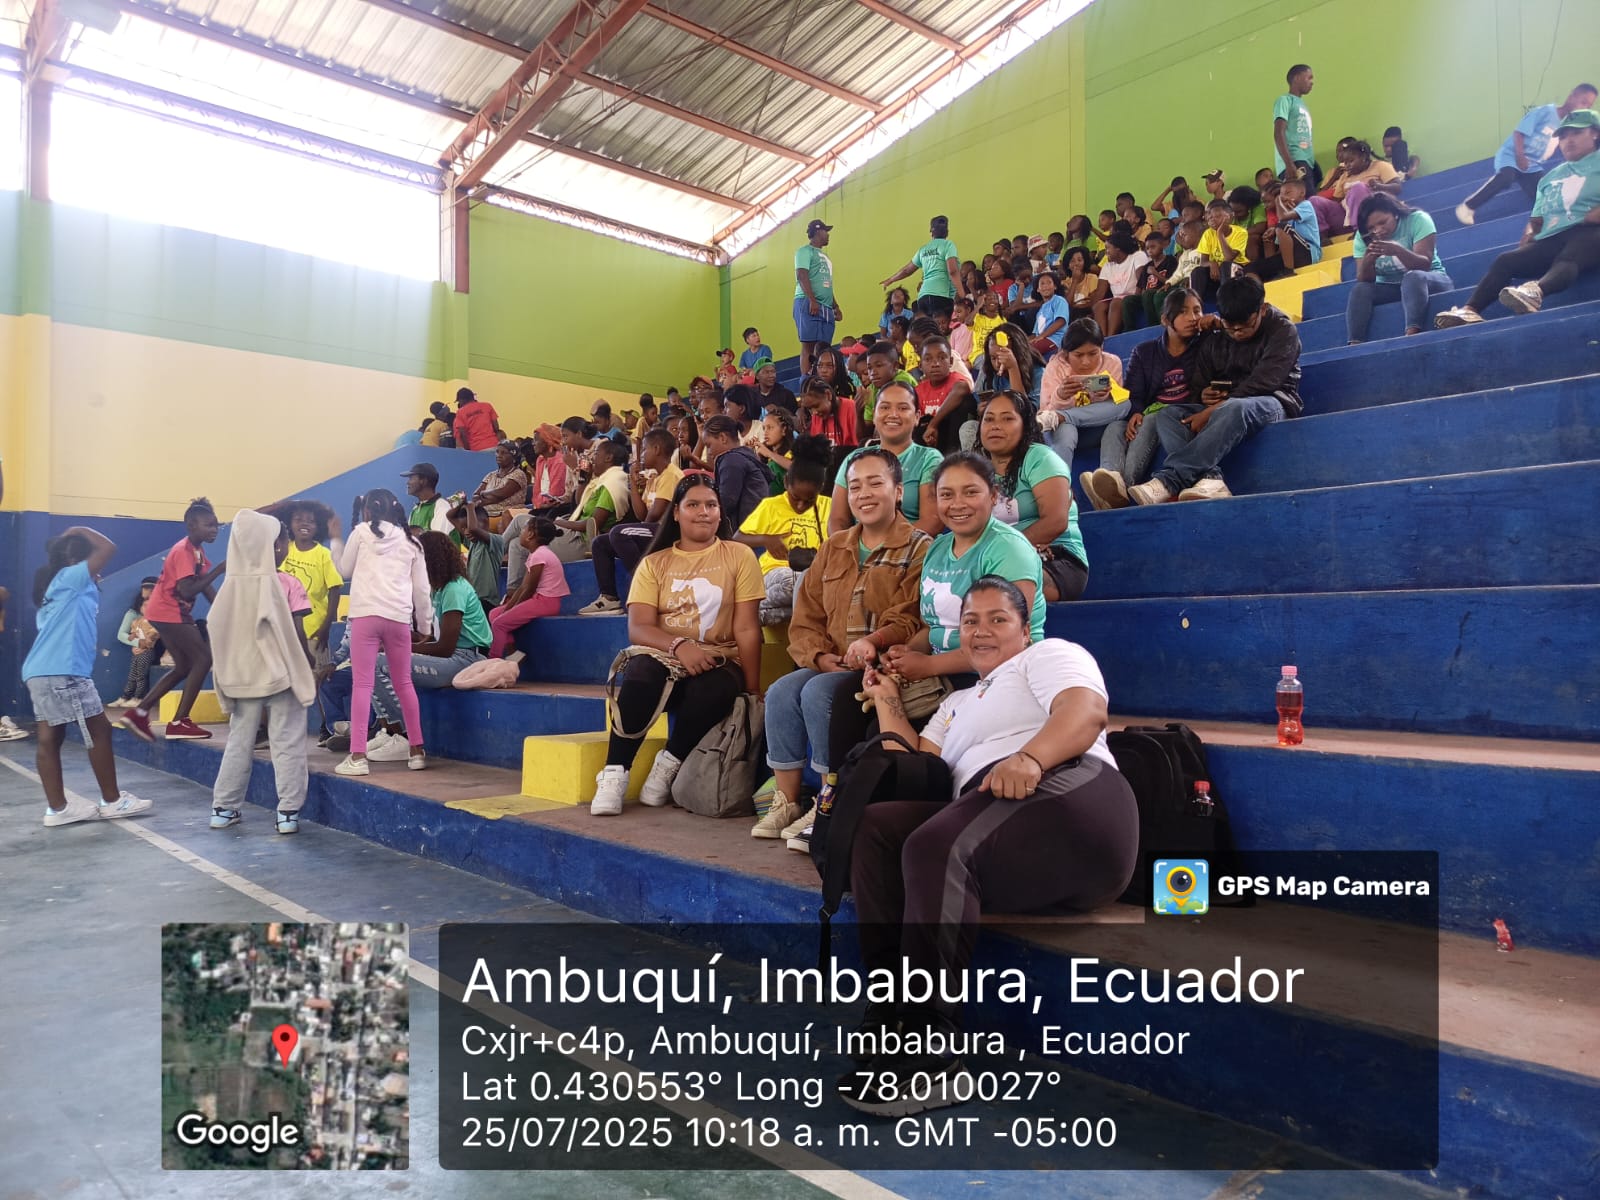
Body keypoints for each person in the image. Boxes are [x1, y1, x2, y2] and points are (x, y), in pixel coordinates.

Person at [840, 577, 1137, 1114]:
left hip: (1073, 794)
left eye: (998, 619)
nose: (981, 630)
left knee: (934, 843)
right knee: (878, 828)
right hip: (996, 824)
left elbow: (1084, 710)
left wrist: (1030, 758)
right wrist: (886, 699)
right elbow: (918, 764)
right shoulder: (953, 704)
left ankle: (934, 1053)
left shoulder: (1048, 655)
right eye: (971, 621)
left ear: (1025, 630)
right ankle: (892, 1013)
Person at [756, 449, 933, 841]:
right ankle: (787, 802)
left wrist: (870, 645)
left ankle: (827, 803)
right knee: (782, 690)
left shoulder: (920, 547)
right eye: (855, 487)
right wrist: (819, 656)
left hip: (881, 664)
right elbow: (806, 616)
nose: (864, 494)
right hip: (834, 660)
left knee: (819, 692)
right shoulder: (834, 546)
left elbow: (909, 617)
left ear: (898, 491)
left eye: (875, 483)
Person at [590, 476, 763, 816]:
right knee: (641, 671)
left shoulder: (739, 556)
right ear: (676, 513)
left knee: (715, 685)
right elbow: (639, 627)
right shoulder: (655, 563)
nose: (703, 512)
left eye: (711, 505)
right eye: (693, 505)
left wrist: (754, 688)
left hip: (717, 661)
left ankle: (668, 763)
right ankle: (615, 771)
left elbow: (746, 627)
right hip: (665, 658)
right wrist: (680, 645)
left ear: (720, 512)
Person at [1126, 274, 1302, 505]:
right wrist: (1203, 395)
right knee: (1169, 414)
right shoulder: (1217, 334)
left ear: (1263, 309)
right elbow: (1198, 383)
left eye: (1245, 326)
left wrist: (1212, 410)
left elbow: (1264, 383)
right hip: (1226, 404)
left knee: (1236, 407)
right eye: (1231, 327)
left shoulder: (1283, 330)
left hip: (1273, 401)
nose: (1237, 332)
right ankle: (1211, 479)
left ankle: (1169, 480)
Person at [24, 526, 152, 826]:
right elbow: (108, 548)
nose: (98, 569)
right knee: (99, 731)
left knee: (49, 737)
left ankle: (58, 809)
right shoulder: (71, 578)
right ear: (76, 561)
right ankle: (112, 800)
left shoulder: (59, 588)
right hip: (64, 672)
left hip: (41, 672)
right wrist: (77, 530)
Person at [882, 454, 1044, 687]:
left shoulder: (1009, 549)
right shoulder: (937, 548)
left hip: (1000, 676)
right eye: (946, 495)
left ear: (994, 495)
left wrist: (928, 665)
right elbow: (931, 627)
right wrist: (906, 654)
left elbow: (1004, 642)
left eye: (970, 492)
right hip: (943, 673)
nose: (957, 504)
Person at [1437, 108, 1600, 327]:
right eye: (1563, 136)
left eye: (1576, 133)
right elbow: (1538, 217)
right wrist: (1530, 233)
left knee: (1574, 250)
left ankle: (1536, 292)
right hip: (1555, 236)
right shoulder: (1551, 177)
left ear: (1595, 133)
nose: (1568, 140)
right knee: (1506, 260)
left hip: (1590, 233)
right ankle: (1470, 310)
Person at [207, 509, 316, 835]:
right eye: (281, 541)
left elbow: (215, 629)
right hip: (279, 676)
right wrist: (303, 672)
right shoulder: (275, 584)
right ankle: (287, 813)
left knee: (239, 741)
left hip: (241, 679)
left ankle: (224, 807)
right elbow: (291, 634)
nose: (284, 546)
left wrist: (223, 681)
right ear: (272, 546)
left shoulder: (230, 586)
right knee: (287, 741)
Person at [332, 489, 430, 777]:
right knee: (404, 683)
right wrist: (425, 626)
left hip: (365, 617)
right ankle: (417, 751)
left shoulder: (361, 533)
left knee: (362, 685)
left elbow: (344, 570)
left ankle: (357, 757)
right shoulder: (412, 542)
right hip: (398, 620)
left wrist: (336, 540)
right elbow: (422, 590)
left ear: (367, 511)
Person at [1086, 287, 1212, 509]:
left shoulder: (1206, 345)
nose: (1193, 318)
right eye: (1183, 312)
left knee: (1156, 417)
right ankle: (1110, 476)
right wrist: (1136, 412)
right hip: (1148, 412)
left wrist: (1214, 325)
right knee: (1115, 427)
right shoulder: (1144, 352)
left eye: (1197, 311)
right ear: (1165, 320)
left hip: (1179, 416)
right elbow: (1134, 392)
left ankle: (1123, 486)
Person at [115, 498, 225, 742]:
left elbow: (204, 586)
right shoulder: (184, 551)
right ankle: (180, 722)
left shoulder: (197, 551)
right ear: (192, 526)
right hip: (169, 611)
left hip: (166, 611)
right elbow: (187, 590)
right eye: (209, 525)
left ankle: (138, 713)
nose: (214, 530)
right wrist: (219, 570)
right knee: (203, 659)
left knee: (184, 666)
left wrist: (223, 609)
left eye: (216, 525)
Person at [978, 390, 1089, 602]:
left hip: (1057, 558)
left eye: (1007, 419)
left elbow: (1055, 522)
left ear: (1025, 425)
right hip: (998, 560)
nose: (995, 426)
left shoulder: (1040, 457)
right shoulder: (978, 471)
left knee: (995, 588)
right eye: (989, 419)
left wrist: (999, 552)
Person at [1456, 85, 1598, 225]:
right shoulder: (1544, 112)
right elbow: (1519, 133)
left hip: (1533, 165)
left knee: (1544, 194)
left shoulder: (1567, 125)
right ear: (1572, 96)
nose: (1584, 107)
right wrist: (1520, 156)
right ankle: (1468, 206)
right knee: (1506, 177)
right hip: (1512, 155)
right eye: (1583, 102)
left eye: (1589, 106)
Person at [581, 427, 684, 615]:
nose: (641, 454)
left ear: (657, 449)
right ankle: (609, 598)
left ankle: (648, 589)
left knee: (619, 533)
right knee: (600, 543)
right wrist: (634, 484)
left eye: (644, 449)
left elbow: (654, 515)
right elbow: (641, 515)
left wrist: (637, 527)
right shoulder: (654, 477)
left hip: (668, 532)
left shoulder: (671, 474)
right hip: (651, 529)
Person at [736, 435, 833, 625]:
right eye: (795, 497)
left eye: (809, 500)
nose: (800, 505)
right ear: (787, 482)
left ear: (820, 489)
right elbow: (737, 538)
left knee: (817, 589)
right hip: (777, 573)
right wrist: (766, 539)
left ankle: (764, 613)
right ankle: (755, 606)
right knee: (795, 584)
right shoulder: (771, 506)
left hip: (814, 575)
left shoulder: (829, 507)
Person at [1346, 193, 1451, 342]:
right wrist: (1368, 261)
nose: (1377, 230)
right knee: (1360, 289)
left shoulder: (1418, 219)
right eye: (1371, 228)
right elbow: (1364, 279)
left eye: (1383, 222)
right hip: (1391, 287)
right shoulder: (1363, 236)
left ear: (1395, 213)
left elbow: (1424, 264)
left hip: (1429, 280)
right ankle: (1355, 343)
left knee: (1413, 277)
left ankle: (1412, 335)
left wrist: (1398, 250)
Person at [1037, 318, 1128, 465]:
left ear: (1102, 347)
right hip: (1064, 431)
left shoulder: (1112, 362)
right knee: (1065, 429)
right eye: (1078, 355)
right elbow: (1045, 414)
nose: (1086, 361)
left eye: (1093, 353)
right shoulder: (1055, 368)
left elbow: (1115, 406)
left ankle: (1108, 475)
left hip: (1096, 427)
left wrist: (1103, 395)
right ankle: (1061, 479)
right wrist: (1060, 396)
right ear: (1066, 353)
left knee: (1125, 405)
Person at [488, 518, 569, 657]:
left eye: (523, 530)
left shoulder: (540, 555)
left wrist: (511, 609)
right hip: (539, 600)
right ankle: (513, 653)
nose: (521, 533)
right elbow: (522, 587)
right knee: (494, 614)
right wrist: (507, 608)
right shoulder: (535, 554)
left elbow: (529, 589)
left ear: (530, 534)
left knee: (499, 624)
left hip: (546, 602)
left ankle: (492, 659)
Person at [278, 502, 344, 664]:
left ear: (319, 526)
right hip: (285, 630)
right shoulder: (284, 549)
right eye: (298, 519)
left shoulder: (324, 555)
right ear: (289, 523)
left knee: (315, 673)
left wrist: (326, 627)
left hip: (314, 631)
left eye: (311, 521)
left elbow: (334, 591)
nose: (304, 523)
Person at [549, 438, 628, 563]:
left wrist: (558, 522)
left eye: (596, 454)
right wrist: (584, 477)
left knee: (526, 541)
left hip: (582, 541)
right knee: (521, 534)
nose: (592, 459)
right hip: (574, 533)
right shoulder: (602, 480)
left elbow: (592, 524)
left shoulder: (612, 484)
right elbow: (579, 502)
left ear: (608, 458)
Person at [881, 215, 961, 320]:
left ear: (931, 232)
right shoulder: (948, 245)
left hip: (923, 297)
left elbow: (907, 270)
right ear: (947, 231)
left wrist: (891, 280)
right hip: (942, 296)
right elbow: (953, 271)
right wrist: (961, 293)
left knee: (927, 327)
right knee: (940, 327)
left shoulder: (923, 249)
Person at [1250, 175, 1324, 281]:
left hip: (1309, 254)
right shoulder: (1285, 216)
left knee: (1280, 226)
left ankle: (1289, 271)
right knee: (1251, 268)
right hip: (1293, 256)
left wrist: (1278, 201)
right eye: (1281, 194)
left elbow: (1283, 218)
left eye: (1288, 193)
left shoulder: (1306, 205)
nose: (1283, 197)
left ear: (1302, 193)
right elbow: (1282, 246)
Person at [794, 219, 842, 377]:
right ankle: (806, 380)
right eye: (826, 231)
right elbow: (801, 275)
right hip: (807, 302)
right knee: (808, 345)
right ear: (817, 232)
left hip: (826, 306)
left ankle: (821, 378)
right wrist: (812, 300)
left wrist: (835, 306)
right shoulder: (804, 251)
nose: (828, 235)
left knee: (824, 347)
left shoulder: (825, 257)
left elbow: (826, 284)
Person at [1326, 139, 1402, 230]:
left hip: (1377, 209)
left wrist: (1379, 186)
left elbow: (1398, 188)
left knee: (1358, 188)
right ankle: (1322, 235)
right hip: (1347, 214)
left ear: (1363, 157)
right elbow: (1337, 201)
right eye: (1345, 163)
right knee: (1315, 201)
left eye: (1351, 161)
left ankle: (1360, 229)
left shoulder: (1381, 166)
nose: (1347, 165)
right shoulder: (1344, 176)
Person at [451, 503, 505, 612]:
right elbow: (450, 516)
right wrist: (463, 504)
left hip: (487, 601)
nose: (466, 532)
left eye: (468, 526)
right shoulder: (472, 543)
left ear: (485, 522)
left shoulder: (496, 540)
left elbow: (473, 529)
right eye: (463, 528)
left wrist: (470, 507)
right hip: (473, 598)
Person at [113, 576, 159, 705]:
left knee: (140, 675)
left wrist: (147, 644)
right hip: (139, 649)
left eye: (152, 589)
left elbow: (159, 633)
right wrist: (137, 643)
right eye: (146, 588)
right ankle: (126, 696)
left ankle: (138, 697)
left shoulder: (160, 611)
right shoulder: (134, 615)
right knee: (133, 674)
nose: (148, 591)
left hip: (153, 648)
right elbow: (122, 634)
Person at [1121, 230, 1180, 331]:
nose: (1150, 251)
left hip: (1164, 293)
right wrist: (1136, 297)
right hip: (1147, 297)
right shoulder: (1147, 266)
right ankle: (1129, 329)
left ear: (1163, 245)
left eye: (1153, 247)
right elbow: (1140, 288)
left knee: (1148, 294)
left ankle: (1153, 326)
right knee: (1127, 300)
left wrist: (1155, 273)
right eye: (1147, 248)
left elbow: (1171, 282)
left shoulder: (1171, 260)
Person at [1093, 234, 1149, 337]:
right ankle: (1102, 339)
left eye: (1108, 248)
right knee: (1099, 307)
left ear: (1118, 248)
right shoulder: (1107, 266)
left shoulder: (1137, 256)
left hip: (1134, 296)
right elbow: (1100, 293)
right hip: (1117, 298)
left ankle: (1111, 337)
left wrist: (1137, 297)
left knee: (1116, 302)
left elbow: (1142, 280)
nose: (1106, 252)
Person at [1273, 64, 1318, 186]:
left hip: (1307, 161)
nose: (1312, 82)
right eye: (1309, 77)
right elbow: (1278, 132)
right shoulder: (1285, 100)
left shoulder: (1302, 104)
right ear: (1297, 78)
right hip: (1294, 161)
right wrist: (1289, 164)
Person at [798, 376, 860, 458]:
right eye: (809, 409)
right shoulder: (816, 416)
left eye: (816, 406)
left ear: (828, 395)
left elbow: (859, 448)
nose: (814, 412)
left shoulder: (851, 408)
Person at [471, 441, 530, 517]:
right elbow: (475, 495)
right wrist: (485, 497)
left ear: (513, 457)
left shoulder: (518, 474)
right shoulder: (491, 475)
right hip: (486, 514)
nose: (499, 455)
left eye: (503, 453)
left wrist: (484, 494)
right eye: (497, 452)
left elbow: (502, 494)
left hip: (508, 515)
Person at [403, 463, 456, 537]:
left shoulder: (442, 508)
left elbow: (438, 542)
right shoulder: (415, 510)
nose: (407, 482)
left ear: (423, 481)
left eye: (411, 478)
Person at [754, 406, 798, 494]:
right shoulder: (767, 454)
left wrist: (769, 453)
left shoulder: (793, 452)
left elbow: (797, 468)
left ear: (784, 430)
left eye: (770, 428)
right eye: (764, 428)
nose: (765, 432)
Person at [1027, 270, 1071, 354]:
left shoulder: (1059, 300)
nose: (1046, 286)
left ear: (1055, 286)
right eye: (1042, 283)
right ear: (1038, 289)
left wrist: (1041, 336)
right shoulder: (1040, 311)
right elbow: (1035, 334)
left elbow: (1061, 321)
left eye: (1049, 282)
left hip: (1055, 340)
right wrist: (1023, 341)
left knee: (1029, 350)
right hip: (1041, 340)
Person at [1059, 247, 1106, 323]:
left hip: (1087, 311)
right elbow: (1066, 305)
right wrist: (1074, 281)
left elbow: (1094, 301)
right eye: (1072, 261)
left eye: (1079, 260)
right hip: (1072, 313)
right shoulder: (1064, 283)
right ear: (1068, 265)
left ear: (1085, 262)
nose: (1076, 264)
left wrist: (1080, 307)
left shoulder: (1092, 278)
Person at [452, 387, 502, 451]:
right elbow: (496, 427)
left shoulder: (460, 412)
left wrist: (468, 449)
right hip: (493, 445)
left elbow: (463, 434)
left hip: (476, 449)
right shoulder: (487, 406)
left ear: (462, 400)